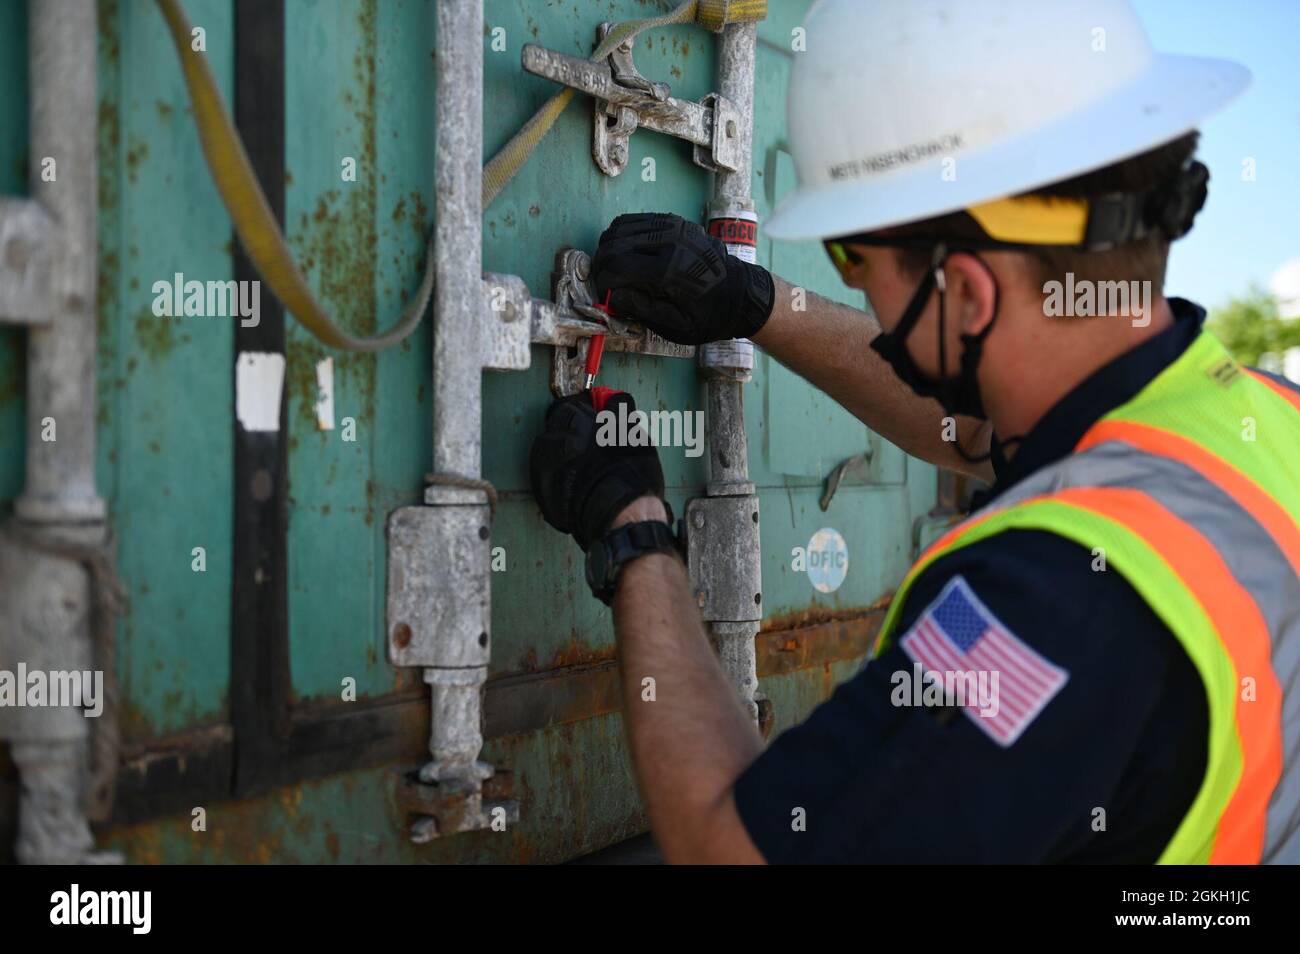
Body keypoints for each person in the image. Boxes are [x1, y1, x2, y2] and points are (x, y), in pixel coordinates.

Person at [529, 0, 1299, 863]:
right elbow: (973, 431)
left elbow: (729, 850)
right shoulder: (1259, 423)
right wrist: (755, 302)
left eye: (853, 259)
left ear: (967, 295)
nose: (859, 288)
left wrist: (634, 539)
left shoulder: (1039, 604)